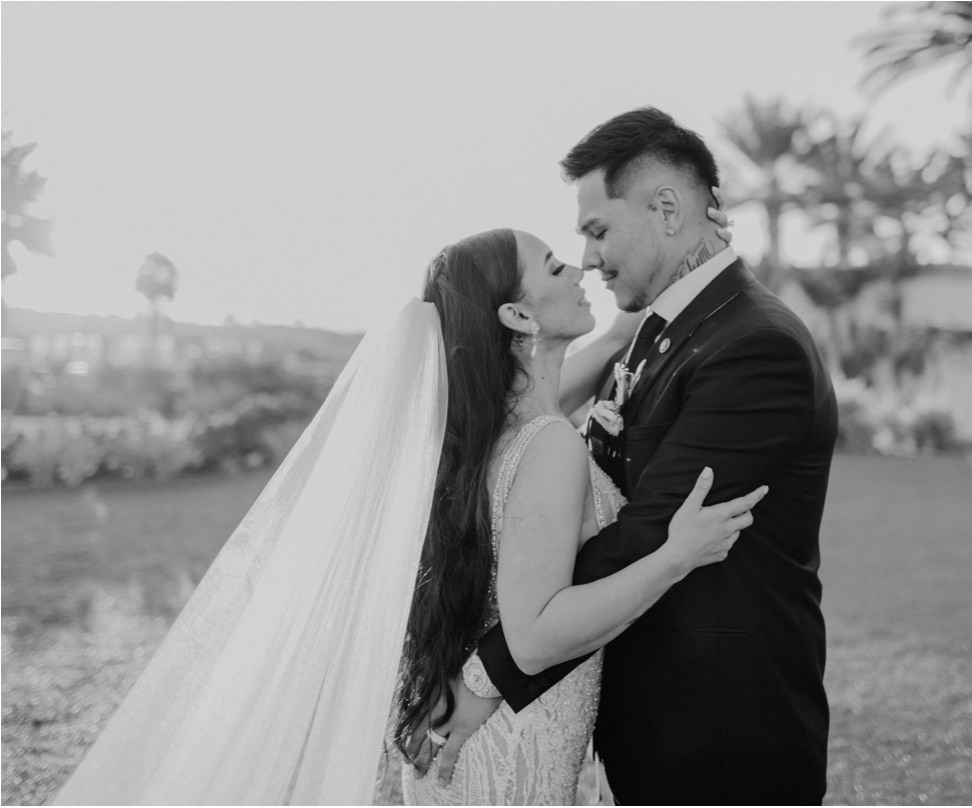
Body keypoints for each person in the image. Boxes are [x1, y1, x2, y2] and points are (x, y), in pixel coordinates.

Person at [50, 219, 754, 803]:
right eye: (552, 265)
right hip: (514, 741)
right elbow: (535, 635)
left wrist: (690, 257)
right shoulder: (545, 447)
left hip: (483, 733)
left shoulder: (480, 432)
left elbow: (587, 359)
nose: (577, 267)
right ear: (516, 314)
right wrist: (674, 557)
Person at [423, 107, 838, 805]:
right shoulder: (656, 334)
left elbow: (645, 536)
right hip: (647, 719)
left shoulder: (753, 347)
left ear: (666, 209)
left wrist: (481, 669)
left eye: (597, 230)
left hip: (721, 732)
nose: (587, 257)